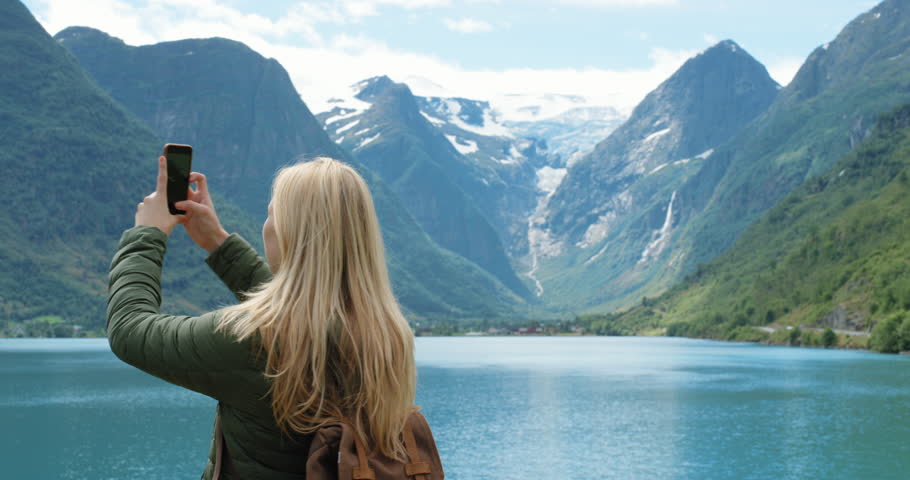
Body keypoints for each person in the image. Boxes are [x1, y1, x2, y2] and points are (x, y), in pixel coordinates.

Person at [107, 155, 418, 479]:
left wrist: (148, 232)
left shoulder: (250, 339)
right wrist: (218, 243)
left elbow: (129, 329)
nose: (266, 225)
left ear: (289, 233)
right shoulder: (388, 335)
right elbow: (300, 313)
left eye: (271, 214)